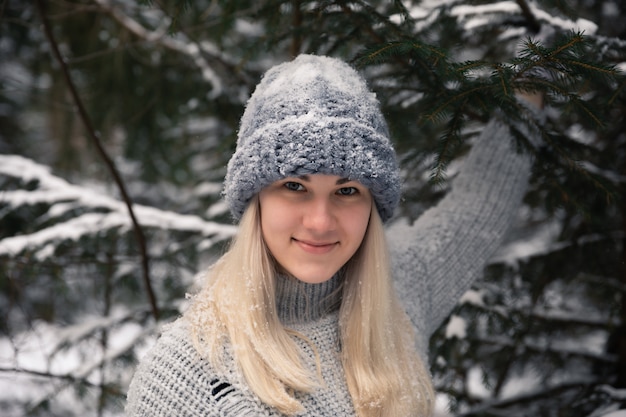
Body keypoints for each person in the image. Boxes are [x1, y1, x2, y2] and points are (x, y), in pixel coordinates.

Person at [126, 54, 539, 416]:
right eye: (295, 187)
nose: (321, 222)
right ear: (256, 202)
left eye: (346, 191)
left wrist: (539, 75)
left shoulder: (400, 294)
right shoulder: (187, 371)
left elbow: (477, 209)